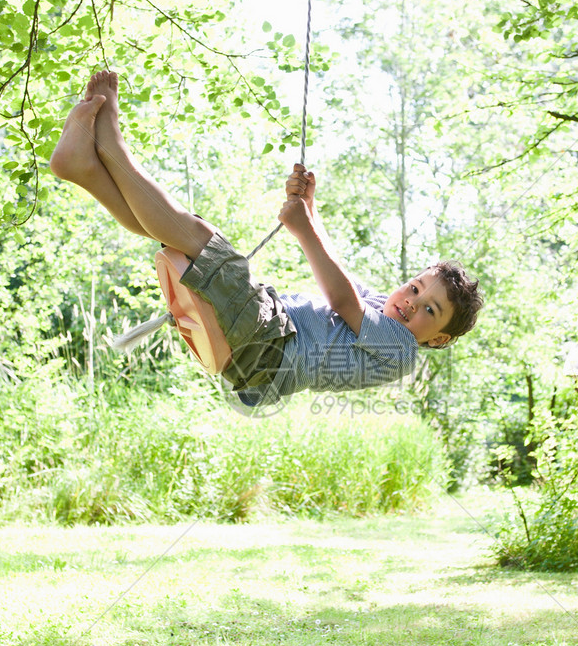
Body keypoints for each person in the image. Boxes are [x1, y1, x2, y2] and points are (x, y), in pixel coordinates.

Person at [49, 71, 482, 407]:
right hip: (263, 344)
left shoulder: (403, 350)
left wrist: (303, 229)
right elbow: (342, 278)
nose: (411, 301)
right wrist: (310, 211)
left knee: (205, 242)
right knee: (182, 240)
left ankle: (111, 146)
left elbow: (341, 299)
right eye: (415, 287)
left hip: (270, 345)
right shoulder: (379, 310)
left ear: (438, 339)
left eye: (430, 309)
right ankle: (84, 170)